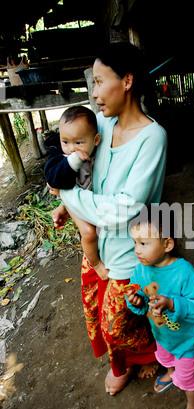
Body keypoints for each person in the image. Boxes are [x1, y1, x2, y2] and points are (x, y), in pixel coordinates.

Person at [48, 42, 167, 395]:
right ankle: (123, 362)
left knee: (117, 322)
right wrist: (67, 200)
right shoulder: (99, 122)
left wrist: (67, 197)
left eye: (100, 82)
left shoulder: (152, 137)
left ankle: (153, 355)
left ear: (127, 81)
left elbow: (124, 209)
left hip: (129, 252)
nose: (94, 93)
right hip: (95, 244)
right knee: (94, 314)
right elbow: (67, 158)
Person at [126, 206, 194, 409]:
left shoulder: (184, 272)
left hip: (185, 341)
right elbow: (140, 299)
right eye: (135, 242)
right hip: (161, 335)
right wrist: (134, 299)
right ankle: (170, 371)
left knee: (187, 378)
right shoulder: (141, 269)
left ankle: (193, 406)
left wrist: (173, 304)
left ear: (167, 245)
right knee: (164, 358)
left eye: (144, 243)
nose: (137, 250)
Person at [45, 106, 109, 280]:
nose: (71, 148)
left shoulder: (97, 154)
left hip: (80, 198)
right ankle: (96, 265)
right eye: (65, 142)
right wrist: (72, 161)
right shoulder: (64, 160)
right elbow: (54, 180)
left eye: (78, 143)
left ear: (96, 140)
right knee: (88, 232)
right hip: (73, 199)